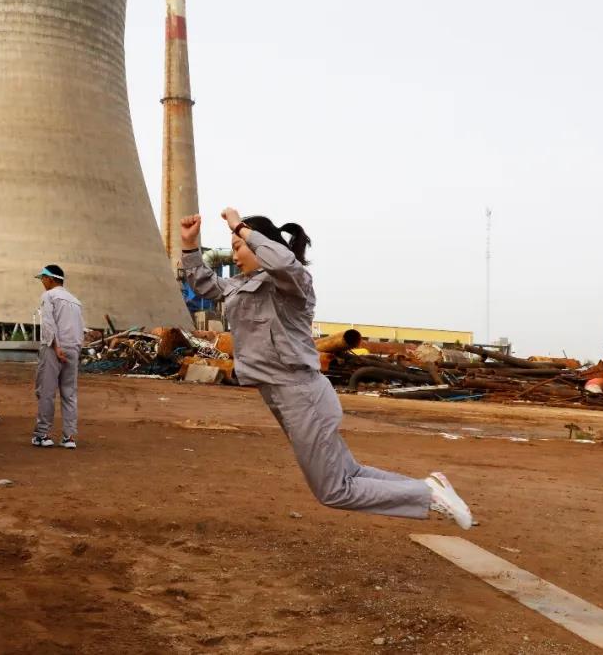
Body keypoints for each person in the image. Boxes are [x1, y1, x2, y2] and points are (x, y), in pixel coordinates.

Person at [181, 209, 473, 529]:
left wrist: (240, 226)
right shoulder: (242, 286)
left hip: (301, 394)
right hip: (286, 395)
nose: (234, 255)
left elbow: (281, 261)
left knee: (333, 490)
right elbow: (205, 285)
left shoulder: (292, 284)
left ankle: (428, 495)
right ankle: (431, 486)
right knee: (350, 474)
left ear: (259, 243)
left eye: (238, 246)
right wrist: (190, 246)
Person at [31, 264, 84, 449]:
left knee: (46, 391)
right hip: (73, 348)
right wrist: (76, 349)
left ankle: (42, 434)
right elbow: (80, 327)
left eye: (43, 279)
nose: (42, 283)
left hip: (54, 347)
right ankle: (69, 437)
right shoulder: (76, 301)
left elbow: (48, 322)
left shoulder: (49, 296)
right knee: (69, 393)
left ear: (50, 279)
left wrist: (56, 346)